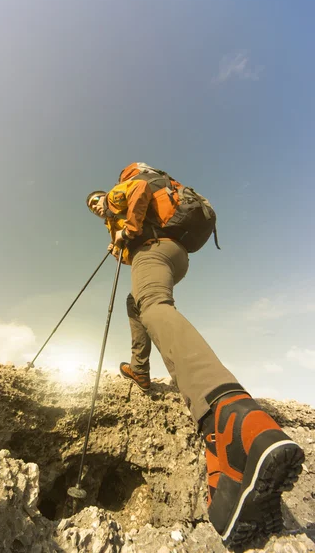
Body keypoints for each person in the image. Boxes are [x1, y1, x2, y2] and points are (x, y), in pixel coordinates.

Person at [86, 163, 304, 548]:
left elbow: (134, 199)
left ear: (105, 194)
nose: (97, 208)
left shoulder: (123, 191)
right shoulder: (159, 189)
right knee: (137, 303)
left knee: (151, 303)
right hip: (176, 253)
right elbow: (140, 220)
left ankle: (232, 416)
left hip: (153, 250)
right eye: (94, 207)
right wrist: (121, 243)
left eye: (96, 202)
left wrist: (127, 231)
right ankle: (143, 373)